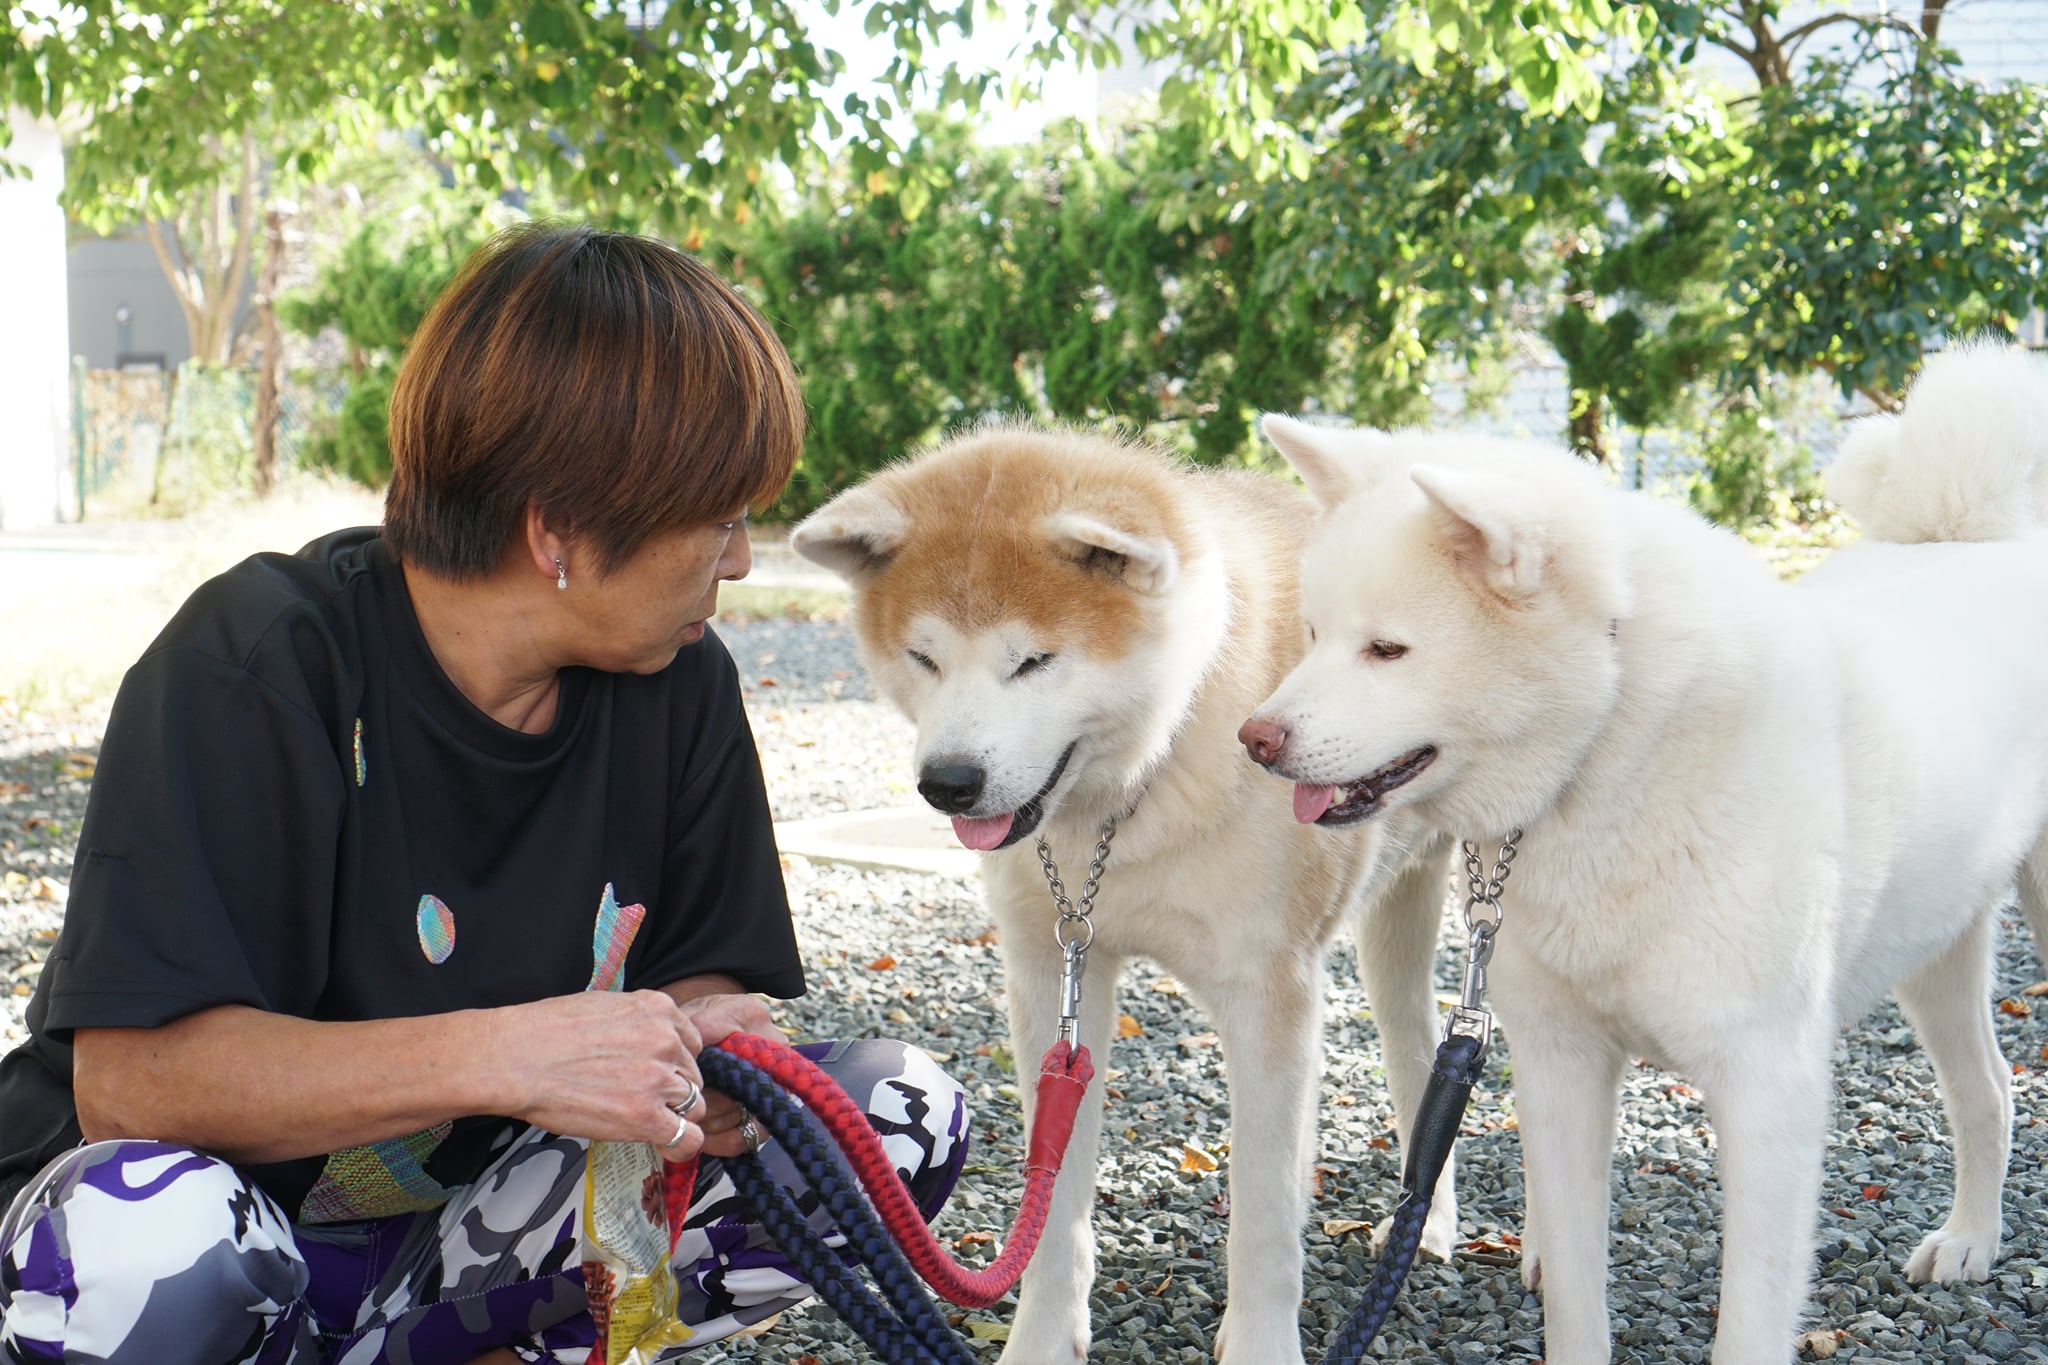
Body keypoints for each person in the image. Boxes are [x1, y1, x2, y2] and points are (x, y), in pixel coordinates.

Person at [0, 223, 969, 1364]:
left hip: (457, 1254)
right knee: (135, 1231)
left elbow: (705, 973)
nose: (742, 559)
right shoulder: (259, 660)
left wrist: (713, 1058)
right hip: (199, 1260)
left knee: (887, 1117)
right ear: (556, 528)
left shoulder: (676, 680)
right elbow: (134, 1088)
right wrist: (508, 1055)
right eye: (718, 519)